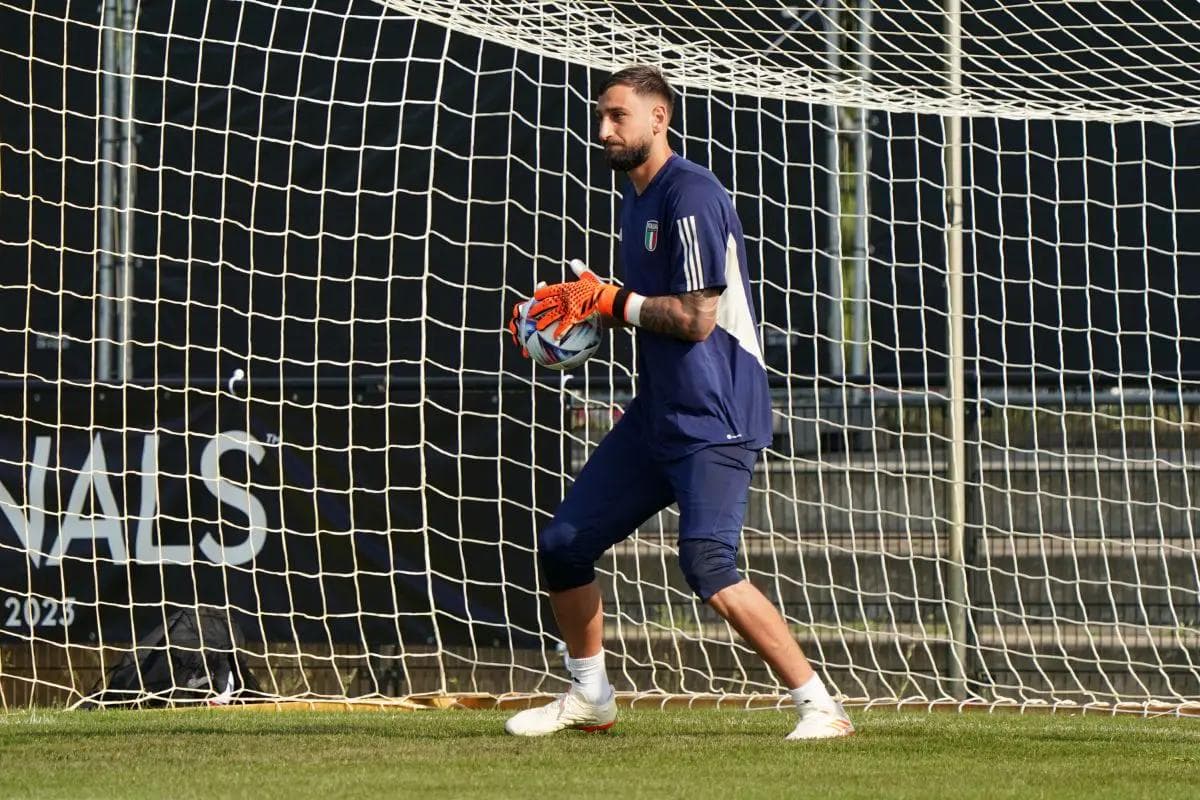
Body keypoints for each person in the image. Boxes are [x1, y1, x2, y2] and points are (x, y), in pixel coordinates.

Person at [505, 66, 854, 740]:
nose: (603, 130)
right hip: (659, 412)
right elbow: (643, 310)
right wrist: (581, 315)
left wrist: (610, 300)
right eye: (600, 117)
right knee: (564, 545)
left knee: (707, 564)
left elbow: (695, 318)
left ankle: (821, 706)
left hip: (716, 415)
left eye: (618, 116)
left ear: (658, 119)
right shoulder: (636, 199)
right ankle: (590, 696)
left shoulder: (689, 194)